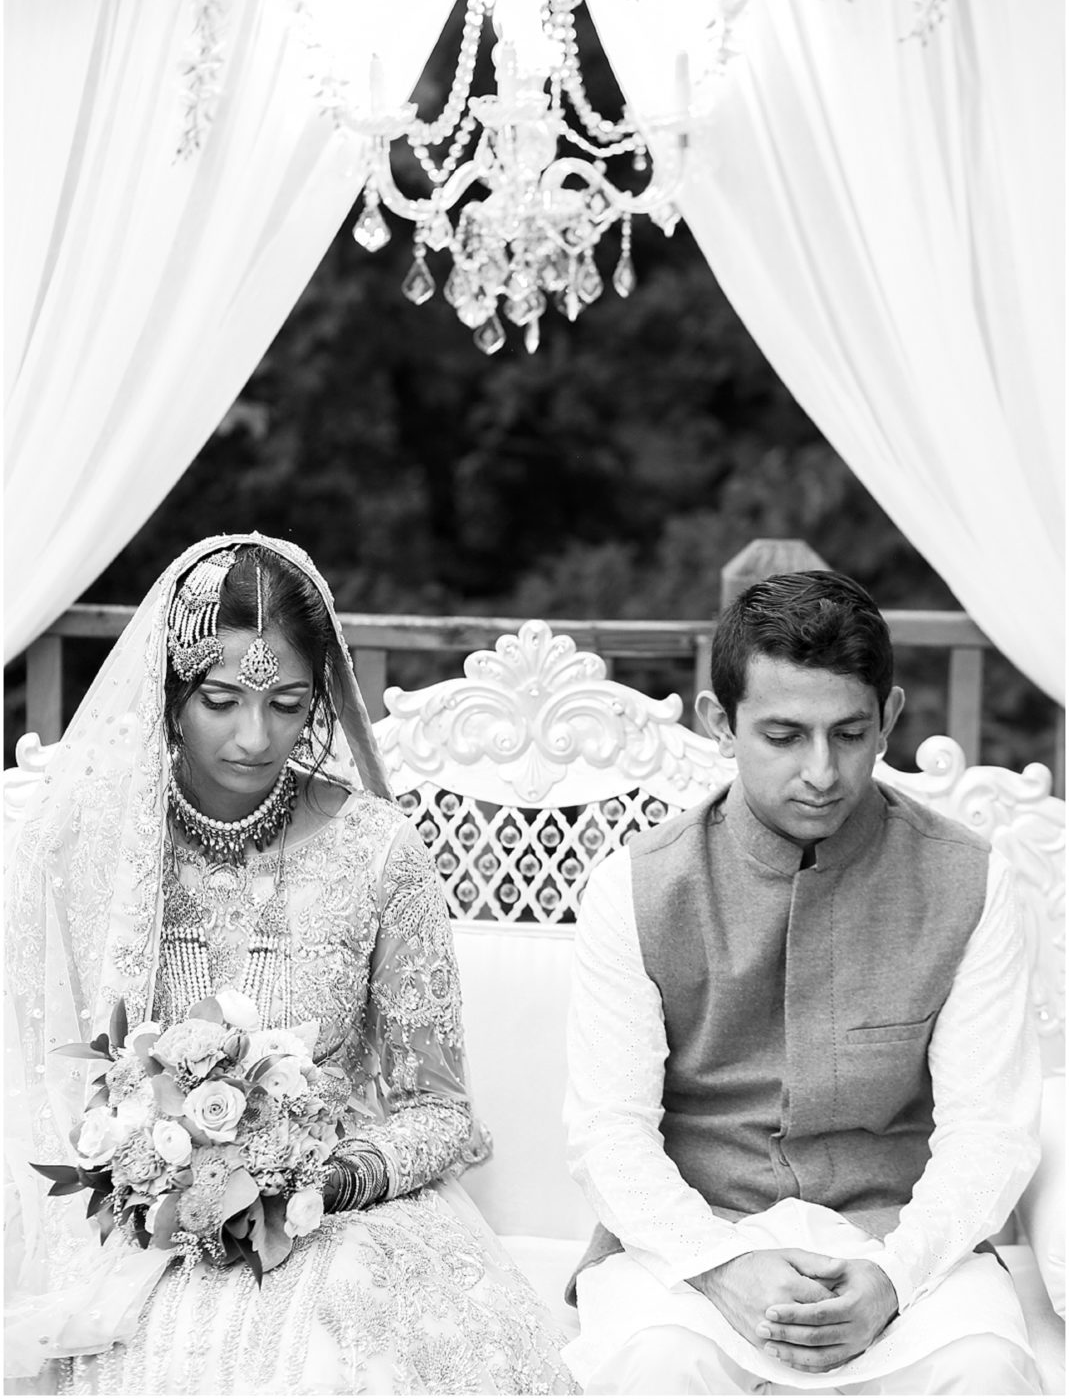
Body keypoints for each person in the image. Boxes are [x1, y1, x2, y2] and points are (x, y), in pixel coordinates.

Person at [5, 533, 577, 1395]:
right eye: (222, 699)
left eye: (285, 702)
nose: (253, 736)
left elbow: (441, 1110)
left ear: (320, 701)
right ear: (170, 696)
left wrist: (317, 1181)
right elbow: (44, 1079)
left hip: (335, 1219)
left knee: (338, 1331)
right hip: (144, 1222)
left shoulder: (379, 851)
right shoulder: (94, 843)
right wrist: (153, 1168)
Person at [563, 569, 1042, 1395]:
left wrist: (892, 1279)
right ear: (722, 723)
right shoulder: (636, 888)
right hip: (693, 1246)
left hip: (900, 1242)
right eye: (784, 736)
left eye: (848, 733)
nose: (820, 771)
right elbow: (609, 1133)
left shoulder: (971, 881)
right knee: (659, 1366)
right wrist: (720, 1265)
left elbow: (987, 1132)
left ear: (888, 719)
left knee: (986, 1370)